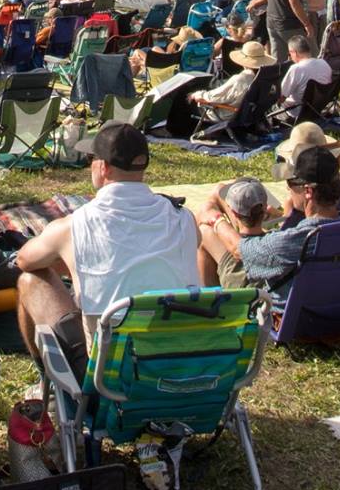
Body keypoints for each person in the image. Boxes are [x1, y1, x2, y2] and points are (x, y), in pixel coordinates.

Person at [12, 123, 200, 371]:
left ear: (103, 167)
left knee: (30, 281)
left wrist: (71, 262)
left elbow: (25, 260)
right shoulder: (183, 218)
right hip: (184, 361)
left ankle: (49, 382)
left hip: (110, 375)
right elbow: (192, 243)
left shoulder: (73, 226)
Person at [198, 145, 340, 305]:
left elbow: (238, 249)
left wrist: (216, 220)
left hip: (288, 316)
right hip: (339, 311)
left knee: (205, 232)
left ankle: (215, 312)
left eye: (290, 182)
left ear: (308, 192)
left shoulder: (295, 241)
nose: (287, 188)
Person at [194, 178, 273, 288]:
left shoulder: (239, 253)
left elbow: (239, 249)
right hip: (265, 290)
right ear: (265, 208)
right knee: (218, 191)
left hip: (242, 281)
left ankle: (208, 297)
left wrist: (218, 220)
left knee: (204, 230)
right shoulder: (278, 241)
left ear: (233, 213)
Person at [277, 32, 333, 113]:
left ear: (294, 53)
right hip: (320, 107)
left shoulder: (296, 69)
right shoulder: (324, 63)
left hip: (299, 111)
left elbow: (281, 98)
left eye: (289, 54)